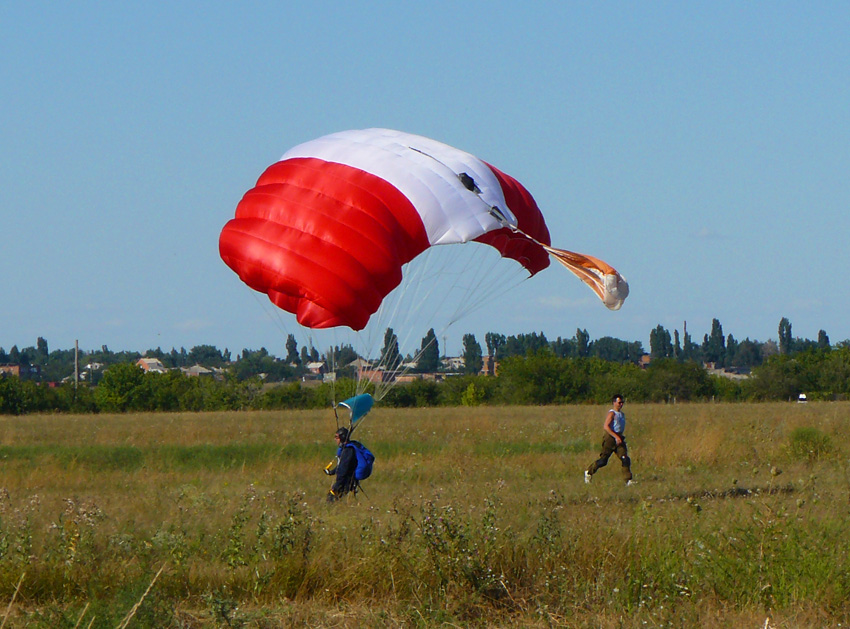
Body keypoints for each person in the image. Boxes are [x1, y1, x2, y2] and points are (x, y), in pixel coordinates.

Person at [584, 394, 634, 485]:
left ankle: (628, 480)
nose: (621, 404)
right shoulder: (612, 413)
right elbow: (606, 426)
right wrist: (616, 436)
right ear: (614, 403)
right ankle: (589, 472)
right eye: (619, 402)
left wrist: (619, 437)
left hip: (619, 438)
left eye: (622, 402)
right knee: (603, 460)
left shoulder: (622, 414)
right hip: (610, 438)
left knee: (625, 458)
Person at [325, 427, 358, 502]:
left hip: (345, 481)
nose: (335, 439)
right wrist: (332, 472)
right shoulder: (345, 449)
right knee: (337, 499)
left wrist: (337, 485)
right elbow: (340, 466)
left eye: (336, 437)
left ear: (342, 438)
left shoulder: (348, 451)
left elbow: (343, 468)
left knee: (331, 499)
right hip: (345, 481)